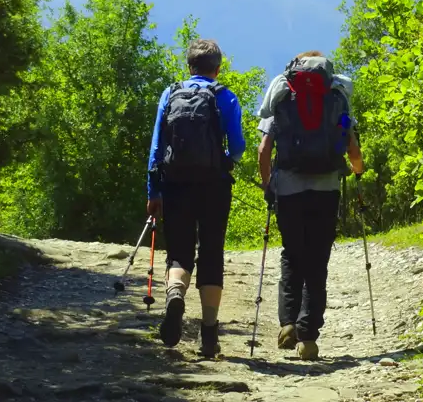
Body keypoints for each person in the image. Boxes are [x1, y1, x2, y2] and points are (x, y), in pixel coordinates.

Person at [257, 50, 364, 361]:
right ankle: (309, 337)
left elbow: (264, 150)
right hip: (327, 187)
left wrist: (268, 185)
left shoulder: (283, 93)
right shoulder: (336, 95)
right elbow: (352, 148)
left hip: (288, 188)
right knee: (318, 260)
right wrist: (358, 171)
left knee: (292, 254)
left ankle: (288, 323)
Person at [147, 38, 245, 358]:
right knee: (212, 252)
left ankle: (175, 294)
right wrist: (226, 157)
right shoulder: (226, 97)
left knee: (179, 252)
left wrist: (154, 191)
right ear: (218, 68)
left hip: (175, 184)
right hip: (215, 185)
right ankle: (209, 335)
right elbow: (239, 147)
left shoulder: (170, 93)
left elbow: (156, 149)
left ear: (189, 66)